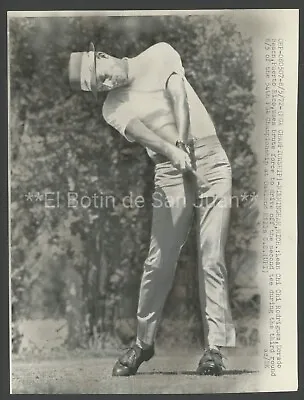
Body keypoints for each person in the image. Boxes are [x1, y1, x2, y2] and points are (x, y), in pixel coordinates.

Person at [69, 41, 235, 376]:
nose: (106, 84)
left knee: (212, 255)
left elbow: (180, 99)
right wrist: (173, 153)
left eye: (101, 75)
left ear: (102, 56)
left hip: (211, 161)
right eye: (99, 86)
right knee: (159, 261)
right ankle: (143, 343)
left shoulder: (160, 53)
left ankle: (214, 349)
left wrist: (182, 143)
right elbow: (144, 135)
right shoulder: (112, 107)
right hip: (169, 171)